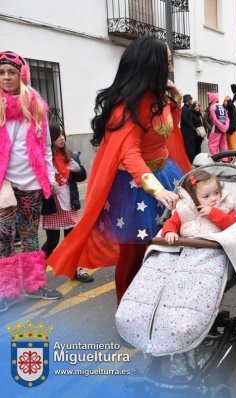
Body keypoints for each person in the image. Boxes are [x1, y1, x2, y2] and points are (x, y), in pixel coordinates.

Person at [47, 36, 191, 304]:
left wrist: (176, 101)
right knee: (133, 253)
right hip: (136, 187)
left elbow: (167, 133)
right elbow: (130, 153)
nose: (170, 67)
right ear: (152, 65)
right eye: (167, 62)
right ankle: (127, 306)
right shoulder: (127, 105)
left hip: (164, 175)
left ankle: (152, 300)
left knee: (165, 246)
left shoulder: (160, 96)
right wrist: (156, 190)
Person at [0, 50, 62, 310]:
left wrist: (49, 176)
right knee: (3, 237)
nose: (6, 77)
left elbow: (47, 147)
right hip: (3, 185)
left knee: (30, 236)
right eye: (1, 73)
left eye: (11, 72)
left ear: (21, 74)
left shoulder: (35, 105)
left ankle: (34, 285)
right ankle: (6, 290)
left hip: (32, 182)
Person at [41, 122, 93, 283]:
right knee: (52, 241)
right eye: (57, 136)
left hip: (69, 203)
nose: (62, 138)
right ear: (49, 138)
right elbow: (38, 178)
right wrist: (47, 184)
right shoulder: (44, 158)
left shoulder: (70, 156)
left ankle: (76, 269)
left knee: (73, 240)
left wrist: (79, 170)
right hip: (53, 204)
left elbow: (81, 177)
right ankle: (36, 271)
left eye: (63, 134)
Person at [161, 170, 236, 245]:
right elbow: (172, 222)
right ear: (192, 198)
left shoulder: (224, 205)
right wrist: (169, 231)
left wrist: (214, 213)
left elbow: (234, 225)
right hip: (188, 244)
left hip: (215, 245)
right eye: (206, 196)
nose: (213, 198)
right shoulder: (185, 209)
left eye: (217, 192)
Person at [207, 92, 229, 158]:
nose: (209, 100)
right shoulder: (222, 107)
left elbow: (215, 119)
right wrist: (225, 128)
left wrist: (221, 127)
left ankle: (215, 159)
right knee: (223, 145)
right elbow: (227, 118)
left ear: (212, 99)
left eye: (209, 98)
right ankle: (225, 160)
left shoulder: (212, 107)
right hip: (224, 130)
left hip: (216, 129)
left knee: (212, 144)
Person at [180, 94, 200, 163]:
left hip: (189, 132)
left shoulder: (187, 108)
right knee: (189, 147)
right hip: (187, 133)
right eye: (190, 99)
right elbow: (185, 120)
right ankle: (191, 162)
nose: (192, 100)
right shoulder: (185, 109)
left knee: (191, 147)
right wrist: (193, 127)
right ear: (187, 100)